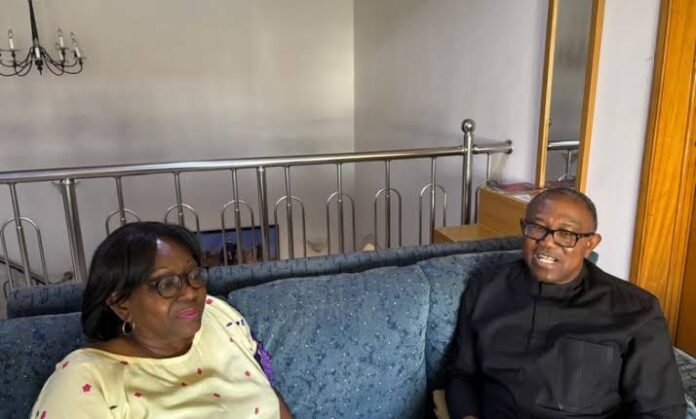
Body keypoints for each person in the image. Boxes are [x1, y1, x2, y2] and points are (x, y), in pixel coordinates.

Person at [445, 187, 686, 418]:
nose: (547, 242)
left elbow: (661, 411)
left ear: (590, 244)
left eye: (566, 234)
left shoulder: (637, 310)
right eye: (537, 227)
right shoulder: (486, 288)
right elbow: (461, 375)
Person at [31, 222, 293, 419]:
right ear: (121, 303)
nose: (190, 292)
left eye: (194, 275)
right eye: (166, 284)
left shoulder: (217, 316)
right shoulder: (83, 381)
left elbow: (270, 399)